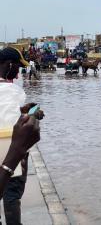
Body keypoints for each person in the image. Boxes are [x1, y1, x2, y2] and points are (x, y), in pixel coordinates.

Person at [0, 47, 43, 224]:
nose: (18, 73)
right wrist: (30, 114)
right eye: (18, 67)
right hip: (11, 154)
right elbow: (13, 125)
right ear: (9, 65)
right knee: (11, 195)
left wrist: (22, 110)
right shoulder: (13, 91)